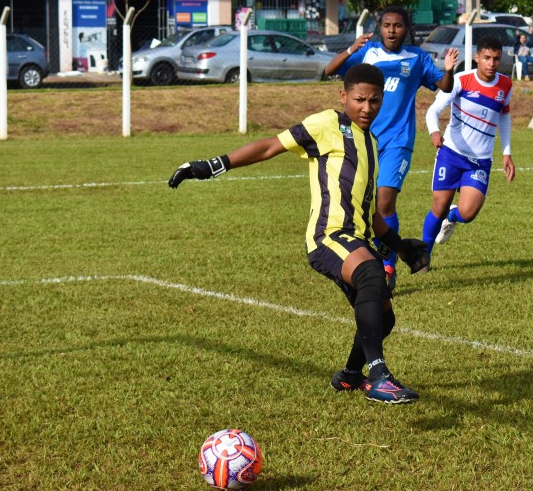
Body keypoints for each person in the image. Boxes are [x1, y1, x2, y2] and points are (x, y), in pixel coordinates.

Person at [168, 64, 430, 404]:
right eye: (359, 99)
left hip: (356, 238)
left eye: (375, 101)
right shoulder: (326, 124)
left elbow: (370, 213)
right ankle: (379, 376)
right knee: (371, 274)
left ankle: (350, 376)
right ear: (343, 96)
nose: (367, 108)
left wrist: (400, 247)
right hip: (329, 236)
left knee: (384, 318)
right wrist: (211, 165)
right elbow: (269, 146)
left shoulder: (371, 141)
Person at [322, 6, 458, 291]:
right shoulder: (367, 52)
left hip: (398, 141)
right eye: (386, 25)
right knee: (365, 206)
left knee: (384, 201)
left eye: (397, 25)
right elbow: (329, 70)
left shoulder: (417, 58)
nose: (392, 30)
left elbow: (444, 87)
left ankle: (388, 266)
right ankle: (371, 257)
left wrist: (448, 70)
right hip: (364, 139)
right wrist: (351, 49)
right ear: (380, 28)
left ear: (406, 29)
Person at [420, 37, 516, 257]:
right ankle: (423, 257)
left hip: (480, 161)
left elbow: (504, 117)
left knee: (468, 213)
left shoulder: (505, 85)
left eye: (496, 59)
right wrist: (434, 131)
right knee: (438, 207)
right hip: (451, 154)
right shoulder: (461, 80)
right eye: (487, 58)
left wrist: (507, 152)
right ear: (476, 57)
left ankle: (452, 216)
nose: (491, 63)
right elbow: (433, 110)